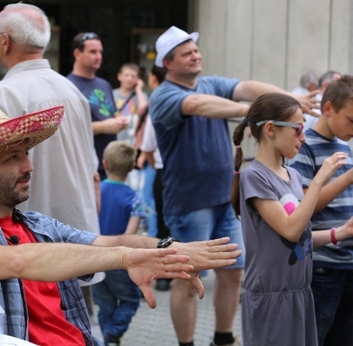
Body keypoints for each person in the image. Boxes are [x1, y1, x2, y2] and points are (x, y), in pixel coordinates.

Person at [0, 92, 242, 346]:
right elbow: (18, 261)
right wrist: (125, 258)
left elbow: (111, 241)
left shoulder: (41, 225)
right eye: (13, 157)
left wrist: (166, 249)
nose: (28, 167)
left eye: (26, 154)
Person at [149, 26, 318, 346]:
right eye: (186, 53)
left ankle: (223, 339)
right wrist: (257, 111)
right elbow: (199, 105)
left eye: (196, 50)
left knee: (233, 272)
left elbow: (247, 86)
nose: (196, 55)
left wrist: (285, 98)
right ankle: (186, 343)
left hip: (223, 200)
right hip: (189, 202)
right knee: (187, 278)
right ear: (168, 63)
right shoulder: (165, 95)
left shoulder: (212, 82)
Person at [231, 92, 353, 346]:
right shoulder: (254, 176)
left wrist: (339, 232)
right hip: (271, 295)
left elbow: (301, 237)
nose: (303, 137)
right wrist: (321, 179)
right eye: (298, 129)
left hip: (299, 291)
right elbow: (290, 230)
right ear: (271, 129)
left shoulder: (293, 176)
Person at [0, 3, 99, 234]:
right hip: (82, 236)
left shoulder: (3, 94)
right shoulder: (72, 91)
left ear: (5, 41)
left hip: (28, 241)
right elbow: (92, 171)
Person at [287, 75, 353, 346]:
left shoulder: (344, 145)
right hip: (323, 264)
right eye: (351, 120)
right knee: (315, 335)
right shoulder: (304, 146)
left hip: (348, 261)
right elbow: (306, 204)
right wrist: (348, 177)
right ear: (328, 109)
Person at [93, 140, 145, 345]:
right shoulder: (134, 198)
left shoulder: (95, 191)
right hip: (119, 261)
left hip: (95, 259)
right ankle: (113, 333)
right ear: (132, 167)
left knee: (105, 305)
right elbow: (130, 234)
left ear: (104, 164)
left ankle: (107, 339)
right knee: (130, 300)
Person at [67, 32, 128, 180]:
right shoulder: (68, 85)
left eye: (100, 52)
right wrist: (102, 127)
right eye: (93, 52)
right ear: (77, 53)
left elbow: (111, 113)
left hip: (112, 165)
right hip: (87, 167)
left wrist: (120, 121)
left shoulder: (104, 84)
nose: (99, 56)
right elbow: (68, 128)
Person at [139, 64, 171, 291]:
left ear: (153, 78)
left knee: (162, 221)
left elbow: (147, 147)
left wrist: (156, 165)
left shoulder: (157, 104)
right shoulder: (187, 98)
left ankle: (165, 273)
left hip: (164, 171)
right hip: (183, 173)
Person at [113, 62, 148, 144]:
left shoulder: (141, 96)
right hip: (115, 140)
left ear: (138, 79)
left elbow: (143, 108)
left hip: (133, 141)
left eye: (133, 76)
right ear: (119, 76)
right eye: (126, 75)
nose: (129, 79)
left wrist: (139, 89)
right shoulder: (112, 94)